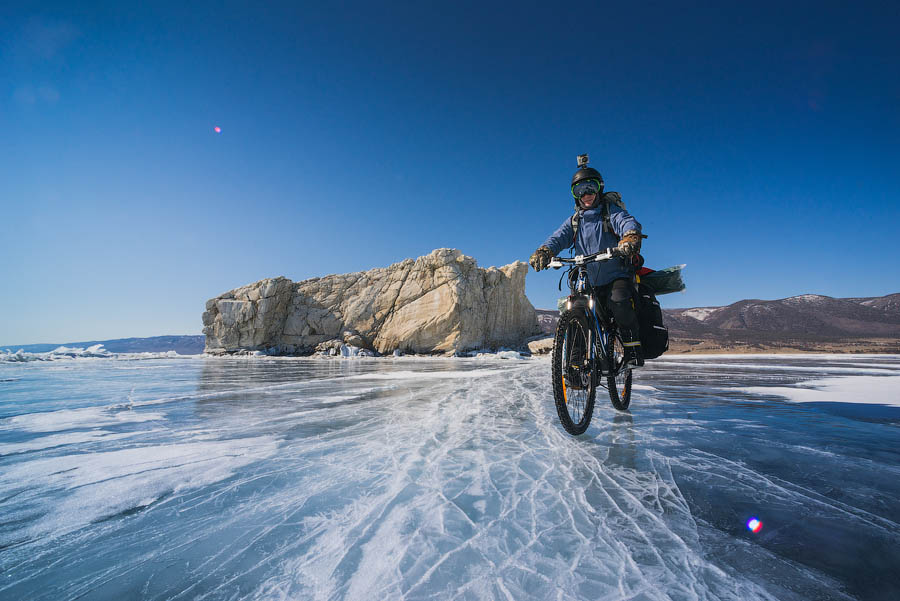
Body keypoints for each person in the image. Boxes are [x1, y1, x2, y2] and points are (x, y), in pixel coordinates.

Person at [529, 156, 645, 367]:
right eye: (580, 190)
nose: (586, 194)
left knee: (618, 300)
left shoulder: (611, 212)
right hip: (590, 280)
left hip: (616, 275)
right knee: (574, 309)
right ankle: (575, 365)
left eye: (591, 187)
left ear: (599, 189)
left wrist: (629, 236)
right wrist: (545, 251)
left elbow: (627, 222)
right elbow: (558, 237)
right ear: (575, 195)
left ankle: (632, 350)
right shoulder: (575, 221)